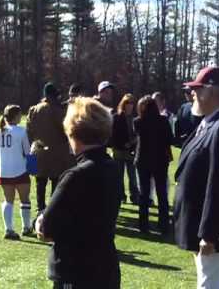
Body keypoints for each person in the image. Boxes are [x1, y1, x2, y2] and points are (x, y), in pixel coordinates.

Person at [35, 97, 120, 289]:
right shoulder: (112, 168)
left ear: (73, 132)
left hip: (76, 272)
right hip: (106, 269)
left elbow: (46, 228)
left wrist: (40, 220)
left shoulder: (75, 176)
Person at [173, 67, 219, 288]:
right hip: (202, 233)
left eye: (196, 89)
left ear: (211, 91)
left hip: (217, 240)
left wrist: (210, 234)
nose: (192, 94)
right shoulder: (209, 123)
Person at [26, 82, 75, 216]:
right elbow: (66, 129)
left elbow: (29, 132)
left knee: (40, 184)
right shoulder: (57, 111)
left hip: (38, 151)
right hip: (57, 153)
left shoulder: (34, 109)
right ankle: (52, 212)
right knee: (56, 183)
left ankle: (40, 210)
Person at [134, 96, 173, 234]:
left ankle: (143, 225)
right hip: (160, 160)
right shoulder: (163, 121)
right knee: (162, 193)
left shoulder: (138, 122)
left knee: (144, 194)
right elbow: (170, 139)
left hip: (143, 160)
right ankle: (163, 225)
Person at [0, 105, 32, 240]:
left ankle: (9, 230)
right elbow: (27, 152)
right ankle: (26, 228)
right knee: (25, 200)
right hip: (20, 170)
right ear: (15, 116)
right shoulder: (21, 131)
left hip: (4, 171)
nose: (21, 117)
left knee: (8, 201)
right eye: (20, 115)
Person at [112, 94, 139, 204]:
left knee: (132, 176)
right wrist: (123, 144)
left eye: (132, 103)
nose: (130, 105)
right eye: (128, 103)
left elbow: (137, 134)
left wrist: (133, 142)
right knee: (119, 176)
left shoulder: (135, 118)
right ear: (124, 104)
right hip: (119, 150)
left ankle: (134, 196)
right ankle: (121, 196)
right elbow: (113, 135)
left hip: (131, 151)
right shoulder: (117, 117)